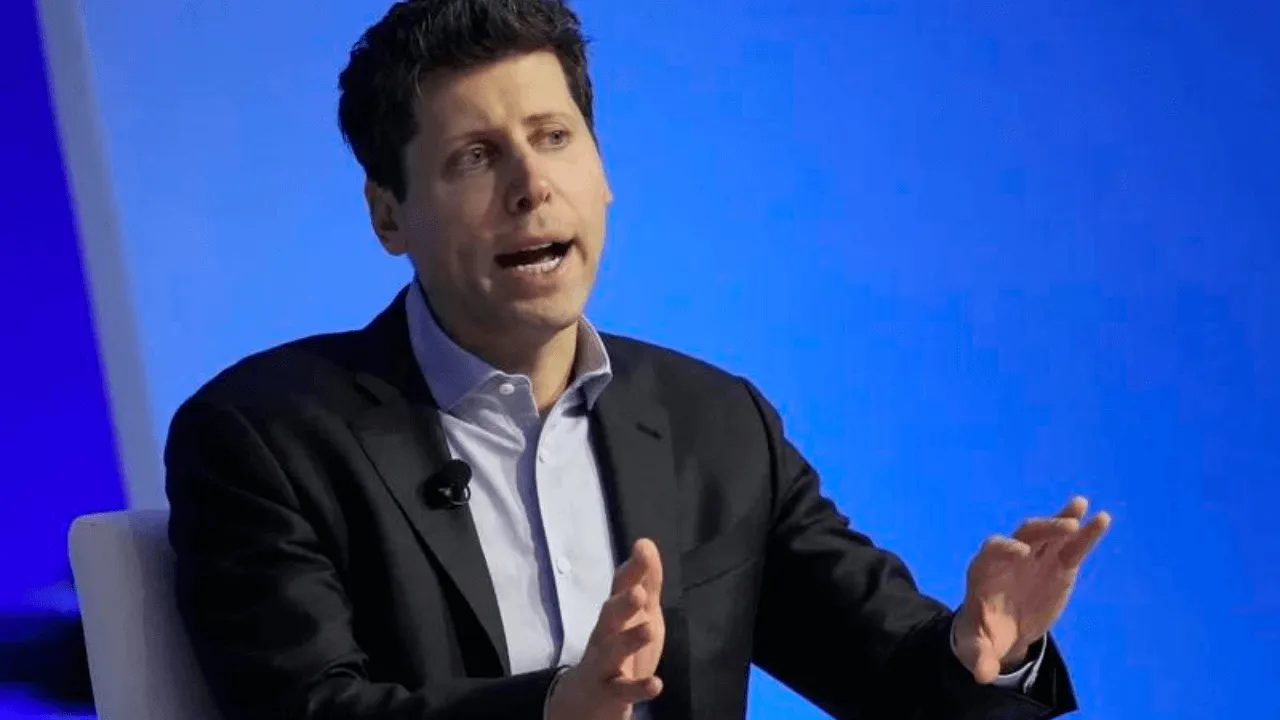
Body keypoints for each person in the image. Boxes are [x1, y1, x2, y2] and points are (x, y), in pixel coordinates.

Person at [164, 1, 1111, 718]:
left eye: (553, 138)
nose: (532, 187)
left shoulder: (716, 424)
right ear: (387, 214)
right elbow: (309, 710)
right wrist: (552, 712)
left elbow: (889, 674)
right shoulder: (266, 438)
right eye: (475, 157)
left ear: (603, 170)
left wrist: (987, 648)